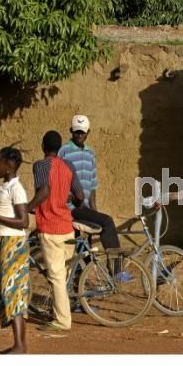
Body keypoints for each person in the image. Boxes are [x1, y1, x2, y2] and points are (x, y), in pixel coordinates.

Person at [27, 131, 84, 332]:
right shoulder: (68, 166)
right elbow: (80, 196)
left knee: (56, 278)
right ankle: (59, 311)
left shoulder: (40, 165)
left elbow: (43, 192)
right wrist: (65, 198)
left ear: (43, 146)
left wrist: (25, 208)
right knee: (63, 275)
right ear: (60, 147)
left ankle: (62, 321)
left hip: (50, 228)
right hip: (67, 228)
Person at [58, 116, 127, 278]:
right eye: (76, 132)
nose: (79, 135)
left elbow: (92, 185)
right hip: (73, 208)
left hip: (85, 208)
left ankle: (79, 292)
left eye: (82, 132)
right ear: (71, 132)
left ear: (88, 133)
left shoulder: (90, 153)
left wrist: (94, 211)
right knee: (108, 221)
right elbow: (58, 180)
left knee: (84, 250)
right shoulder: (64, 151)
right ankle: (117, 271)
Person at [0, 147, 30, 354]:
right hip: (4, 241)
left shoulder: (16, 188)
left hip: (14, 244)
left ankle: (20, 345)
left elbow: (23, 221)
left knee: (13, 292)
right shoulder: (6, 187)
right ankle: (17, 344)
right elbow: (4, 214)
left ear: (9, 165)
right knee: (6, 291)